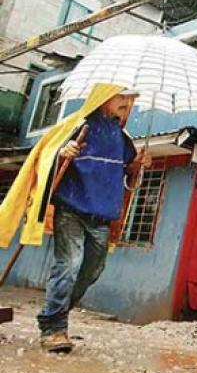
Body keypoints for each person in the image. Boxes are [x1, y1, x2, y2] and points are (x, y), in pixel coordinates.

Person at [32, 90, 151, 352]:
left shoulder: (123, 139)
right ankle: (54, 327)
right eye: (122, 96)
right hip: (71, 209)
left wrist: (138, 165)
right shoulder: (79, 125)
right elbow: (46, 154)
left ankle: (56, 312)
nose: (127, 103)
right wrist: (63, 152)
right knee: (70, 264)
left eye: (131, 99)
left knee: (91, 271)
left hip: (101, 217)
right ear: (104, 95)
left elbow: (131, 177)